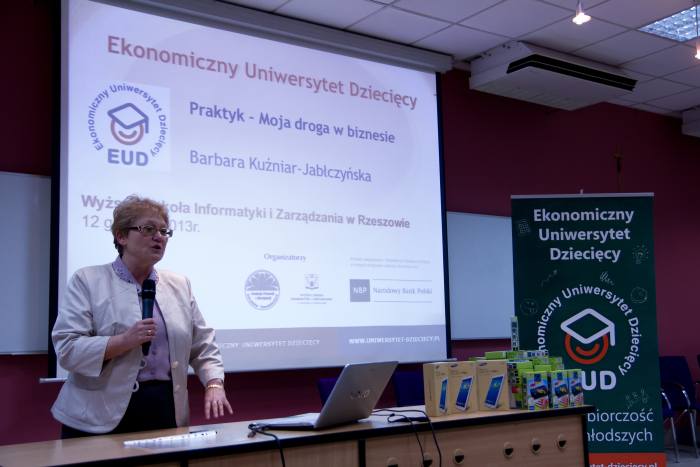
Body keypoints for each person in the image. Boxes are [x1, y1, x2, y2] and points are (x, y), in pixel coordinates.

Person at [52, 195, 232, 438]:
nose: (159, 237)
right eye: (148, 229)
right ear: (121, 236)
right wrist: (123, 341)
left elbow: (203, 345)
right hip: (97, 415)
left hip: (164, 408)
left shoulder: (179, 284)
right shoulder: (88, 280)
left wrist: (214, 383)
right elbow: (68, 349)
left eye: (164, 231)